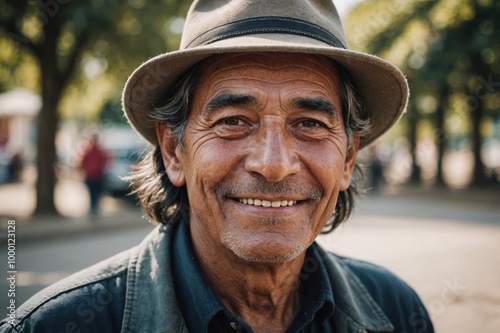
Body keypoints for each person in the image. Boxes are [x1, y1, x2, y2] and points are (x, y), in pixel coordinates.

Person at [0, 0, 434, 332]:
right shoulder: (55, 325)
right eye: (232, 122)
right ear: (173, 150)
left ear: (348, 158)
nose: (274, 165)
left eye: (310, 123)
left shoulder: (397, 310)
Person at [79, 134, 109, 218]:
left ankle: (93, 209)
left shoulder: (87, 150)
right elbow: (106, 161)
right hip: (97, 175)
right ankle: (95, 209)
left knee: (92, 194)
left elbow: (82, 163)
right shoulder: (99, 151)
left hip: (91, 176)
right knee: (96, 194)